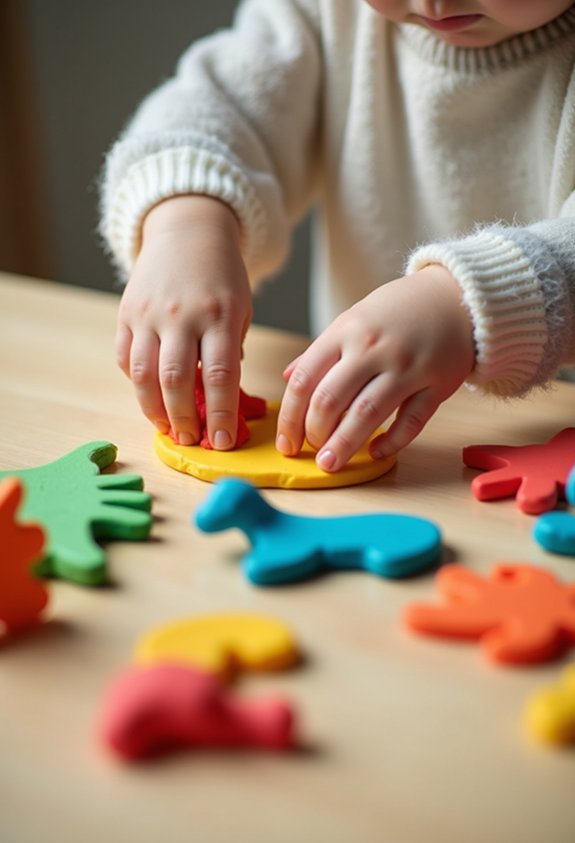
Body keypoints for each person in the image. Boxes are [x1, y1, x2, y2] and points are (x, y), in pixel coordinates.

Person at [100, 0, 575, 473]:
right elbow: (218, 104)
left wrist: (471, 304)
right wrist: (184, 219)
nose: (435, 2)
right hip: (363, 435)